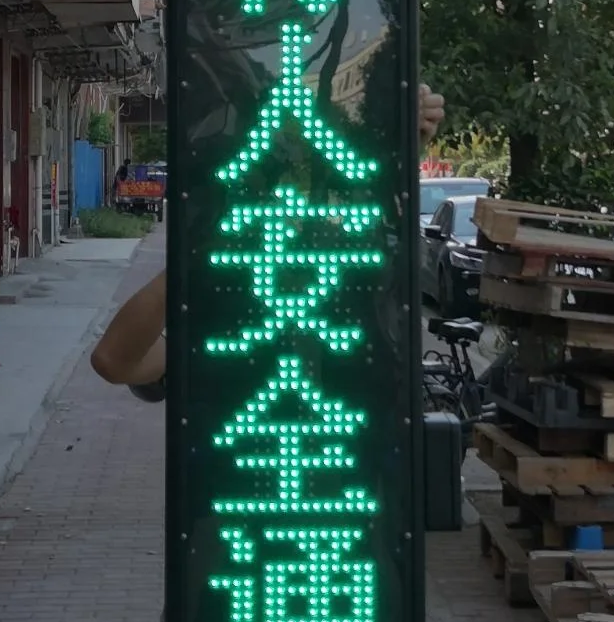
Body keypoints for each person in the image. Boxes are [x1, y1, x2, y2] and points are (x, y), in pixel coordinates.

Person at [90, 85, 445, 400]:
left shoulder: (354, 291)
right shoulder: (217, 317)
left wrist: (403, 145)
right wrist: (194, 261)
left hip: (348, 451)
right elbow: (112, 361)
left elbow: (378, 213)